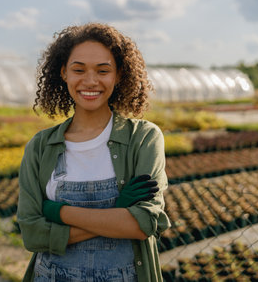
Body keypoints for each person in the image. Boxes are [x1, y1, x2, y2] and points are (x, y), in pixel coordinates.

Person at [17, 23, 171, 282]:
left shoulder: (143, 138)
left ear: (119, 75)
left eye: (103, 70)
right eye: (79, 70)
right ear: (64, 72)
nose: (90, 81)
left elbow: (144, 223)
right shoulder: (40, 146)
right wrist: (117, 212)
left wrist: (57, 212)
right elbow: (32, 235)